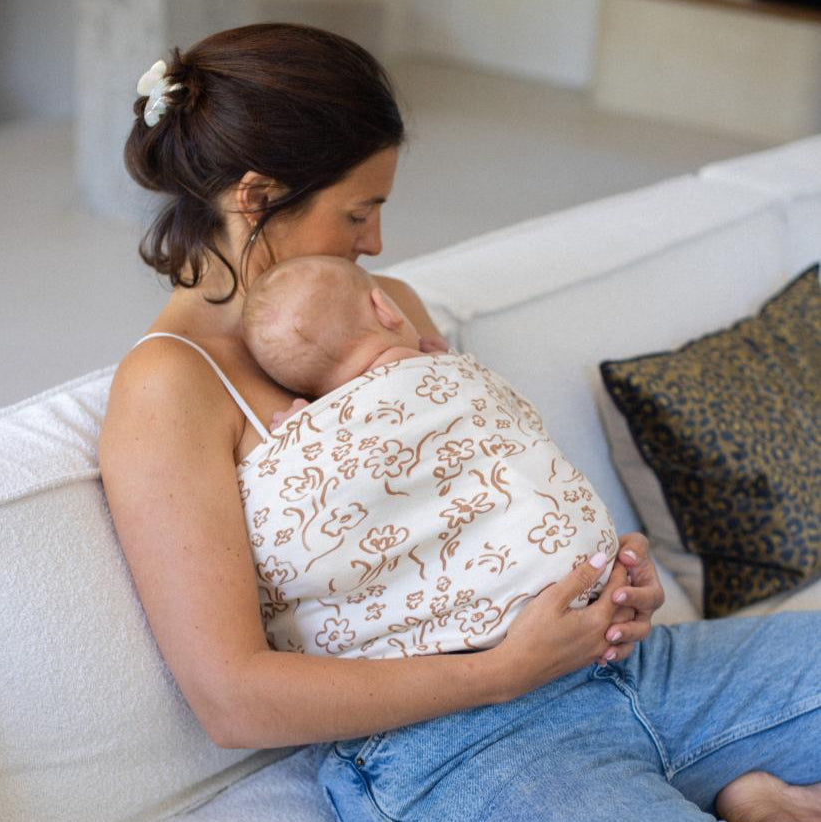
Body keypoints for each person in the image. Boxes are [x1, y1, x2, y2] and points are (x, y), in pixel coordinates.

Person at [98, 22, 821, 822]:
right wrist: (504, 672)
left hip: (627, 670)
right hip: (453, 744)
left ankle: (739, 796)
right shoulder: (168, 387)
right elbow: (233, 700)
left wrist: (609, 578)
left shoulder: (384, 308)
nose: (377, 242)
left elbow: (493, 485)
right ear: (259, 197)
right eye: (358, 213)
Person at [236, 253, 620, 659]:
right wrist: (447, 364)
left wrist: (300, 434)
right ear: (385, 309)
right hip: (570, 579)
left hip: (433, 651)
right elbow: (523, 426)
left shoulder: (311, 432)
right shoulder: (450, 372)